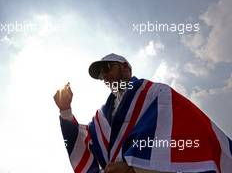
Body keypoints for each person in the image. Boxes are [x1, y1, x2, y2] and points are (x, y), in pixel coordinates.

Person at [54, 53, 232, 173]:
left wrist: (132, 168)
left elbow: (182, 137)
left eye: (108, 67)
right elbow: (86, 143)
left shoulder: (157, 93)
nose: (105, 76)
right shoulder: (101, 117)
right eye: (101, 74)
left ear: (126, 68)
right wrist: (66, 110)